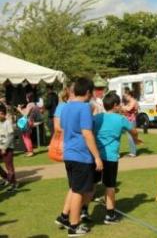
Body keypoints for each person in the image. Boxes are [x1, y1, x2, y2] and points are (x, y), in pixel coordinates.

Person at [55, 77, 103, 237]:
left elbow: (62, 127)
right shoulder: (84, 108)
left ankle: (63, 217)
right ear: (88, 92)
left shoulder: (66, 107)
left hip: (69, 154)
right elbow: (87, 133)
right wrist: (97, 157)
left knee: (74, 188)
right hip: (80, 156)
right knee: (78, 192)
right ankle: (74, 226)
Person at [93, 92, 142, 224]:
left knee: (91, 185)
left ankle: (84, 211)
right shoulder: (121, 119)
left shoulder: (97, 118)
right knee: (110, 186)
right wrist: (136, 139)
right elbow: (134, 131)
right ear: (114, 105)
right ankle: (110, 215)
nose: (120, 106)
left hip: (95, 156)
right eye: (119, 103)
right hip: (110, 158)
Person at [17, 92, 42, 157]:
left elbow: (25, 115)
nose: (26, 98)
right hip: (31, 121)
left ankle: (30, 151)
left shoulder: (29, 105)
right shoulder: (34, 104)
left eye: (26, 97)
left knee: (26, 137)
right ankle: (29, 151)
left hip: (27, 122)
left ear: (28, 98)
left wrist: (19, 109)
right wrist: (23, 109)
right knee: (26, 137)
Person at [0, 105, 17, 192]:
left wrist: (5, 148)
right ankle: (7, 178)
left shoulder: (8, 122)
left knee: (9, 166)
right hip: (0, 147)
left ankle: (13, 184)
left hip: (8, 148)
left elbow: (11, 136)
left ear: (3, 114)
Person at [122, 90, 139, 157]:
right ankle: (132, 152)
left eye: (126, 96)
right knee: (129, 137)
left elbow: (128, 109)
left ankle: (133, 153)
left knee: (131, 137)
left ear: (129, 95)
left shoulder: (133, 101)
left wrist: (123, 107)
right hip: (128, 120)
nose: (125, 97)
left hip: (132, 121)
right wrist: (123, 108)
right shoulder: (129, 102)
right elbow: (124, 110)